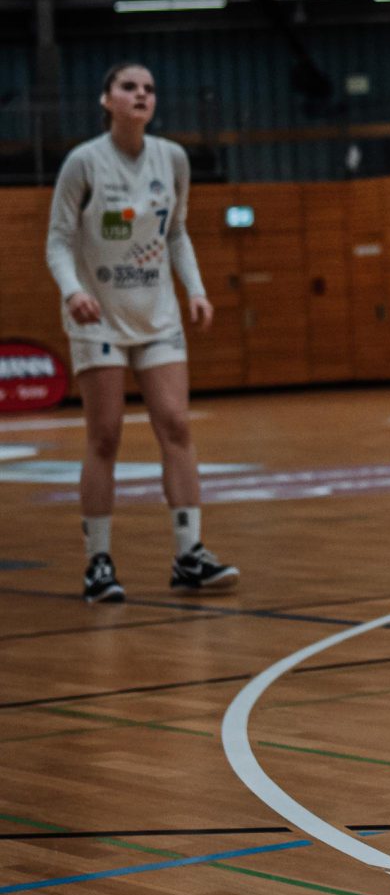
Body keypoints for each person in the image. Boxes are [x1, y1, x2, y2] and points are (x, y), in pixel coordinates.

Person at [44, 62, 238, 604]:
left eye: (149, 88)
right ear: (106, 99)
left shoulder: (171, 159)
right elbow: (58, 240)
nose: (141, 95)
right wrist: (71, 290)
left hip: (157, 315)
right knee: (104, 434)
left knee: (175, 424)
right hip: (97, 314)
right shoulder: (83, 162)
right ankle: (98, 563)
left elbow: (176, 232)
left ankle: (189, 555)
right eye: (129, 87)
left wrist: (195, 289)